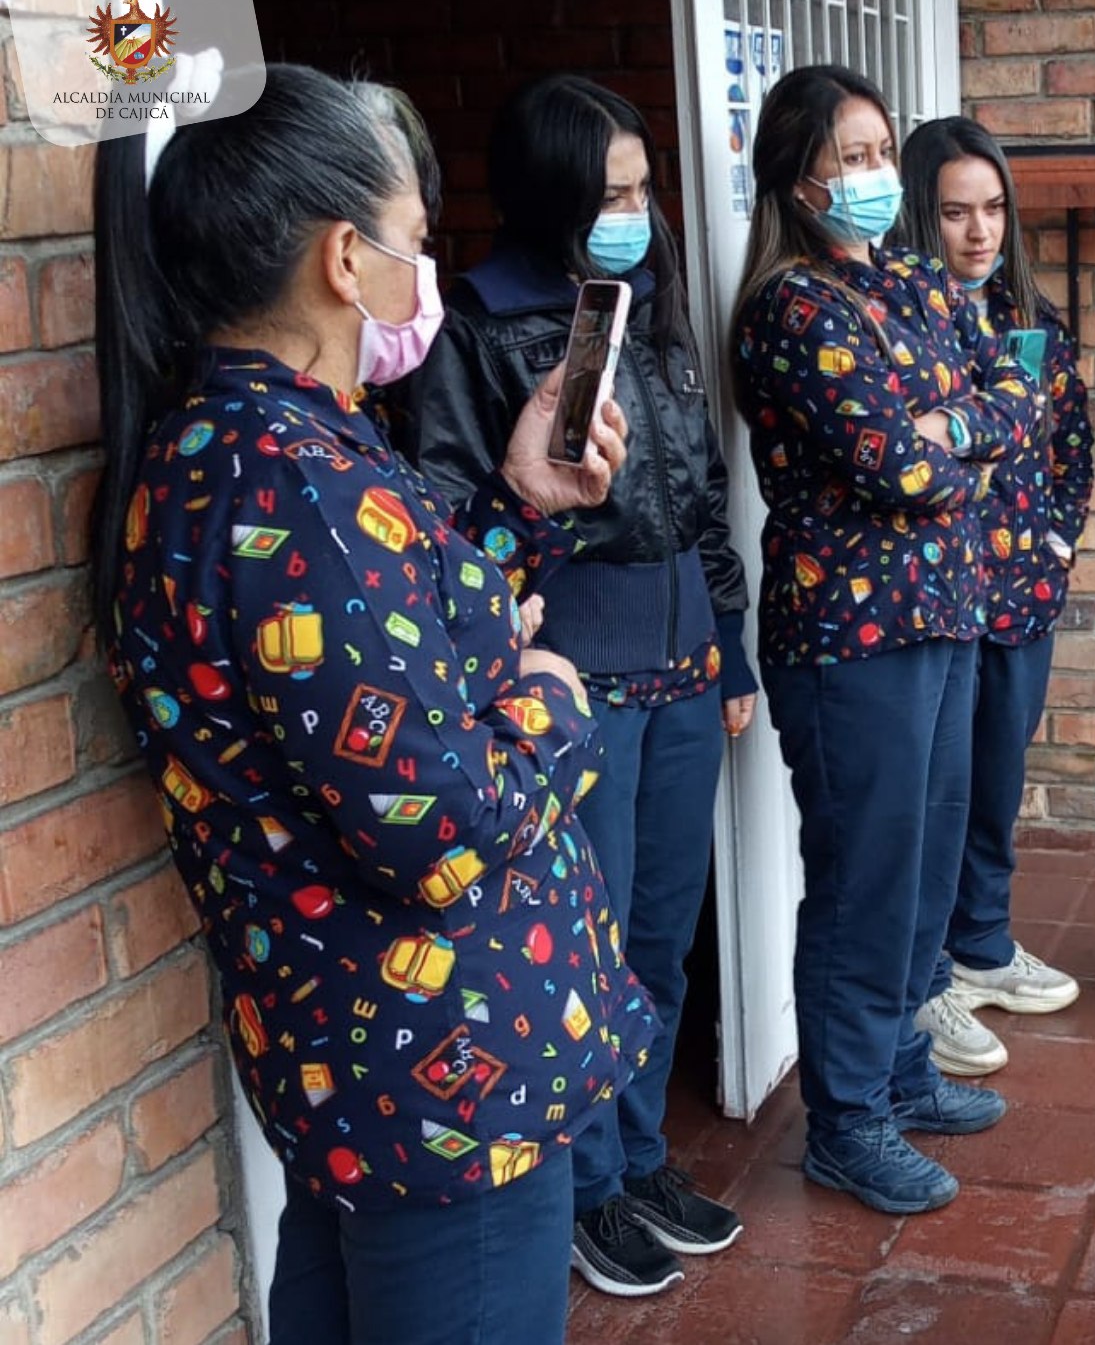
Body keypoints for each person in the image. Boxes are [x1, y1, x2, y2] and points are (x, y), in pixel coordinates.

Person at [90, 65, 653, 1345]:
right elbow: (438, 828)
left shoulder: (247, 445)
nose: (423, 267)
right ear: (346, 258)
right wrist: (555, 708)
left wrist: (517, 507)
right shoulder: (295, 485)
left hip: (366, 1068)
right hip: (441, 1075)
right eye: (413, 235)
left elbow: (384, 655)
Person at [398, 74, 751, 1298]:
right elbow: (449, 507)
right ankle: (588, 1185)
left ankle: (639, 1156)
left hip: (682, 655)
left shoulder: (648, 303)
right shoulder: (479, 325)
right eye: (610, 195)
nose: (635, 215)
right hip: (572, 671)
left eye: (642, 190)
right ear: (549, 193)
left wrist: (731, 648)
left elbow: (701, 496)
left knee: (661, 933)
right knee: (583, 946)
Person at [727, 65, 1039, 1215]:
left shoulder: (908, 278)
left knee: (922, 866)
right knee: (862, 882)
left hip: (943, 615)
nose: (870, 175)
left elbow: (1014, 391)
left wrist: (945, 423)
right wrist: (954, 436)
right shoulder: (791, 309)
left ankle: (902, 1067)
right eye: (847, 157)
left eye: (877, 152)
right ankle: (845, 1118)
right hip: (849, 640)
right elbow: (899, 471)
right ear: (796, 178)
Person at [889, 115, 1093, 1078]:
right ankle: (927, 977)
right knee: (937, 795)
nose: (979, 231)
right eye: (954, 212)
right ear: (917, 216)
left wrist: (1054, 542)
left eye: (995, 209)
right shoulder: (902, 326)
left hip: (1020, 594)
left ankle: (982, 941)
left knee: (996, 780)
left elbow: (1072, 443)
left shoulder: (1030, 319)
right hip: (936, 601)